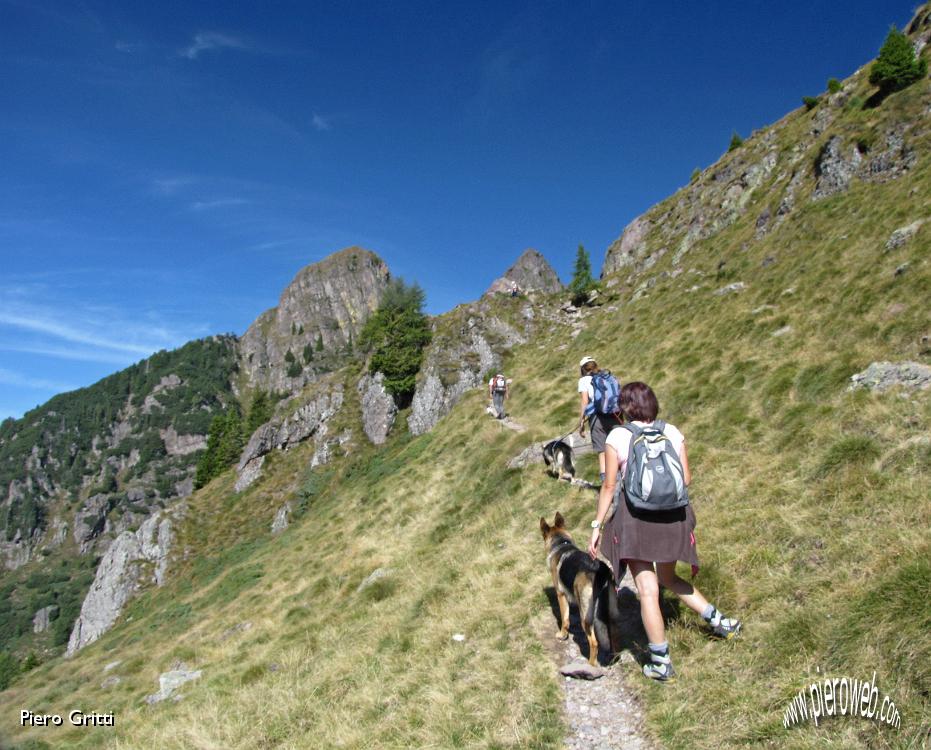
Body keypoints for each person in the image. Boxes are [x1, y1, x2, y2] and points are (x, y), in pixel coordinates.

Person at [588, 381, 741, 682]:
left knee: (647, 590)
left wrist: (597, 525)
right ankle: (721, 621)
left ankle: (661, 662)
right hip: (674, 519)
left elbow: (609, 486)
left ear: (624, 408)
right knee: (669, 578)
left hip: (636, 522)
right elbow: (685, 477)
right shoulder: (671, 431)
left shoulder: (617, 436)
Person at [576, 356, 621, 484]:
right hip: (614, 414)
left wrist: (581, 422)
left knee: (602, 450)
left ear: (582, 369)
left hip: (597, 417)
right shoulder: (605, 376)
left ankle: (606, 483)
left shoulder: (583, 381)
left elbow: (585, 401)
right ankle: (623, 477)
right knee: (617, 447)